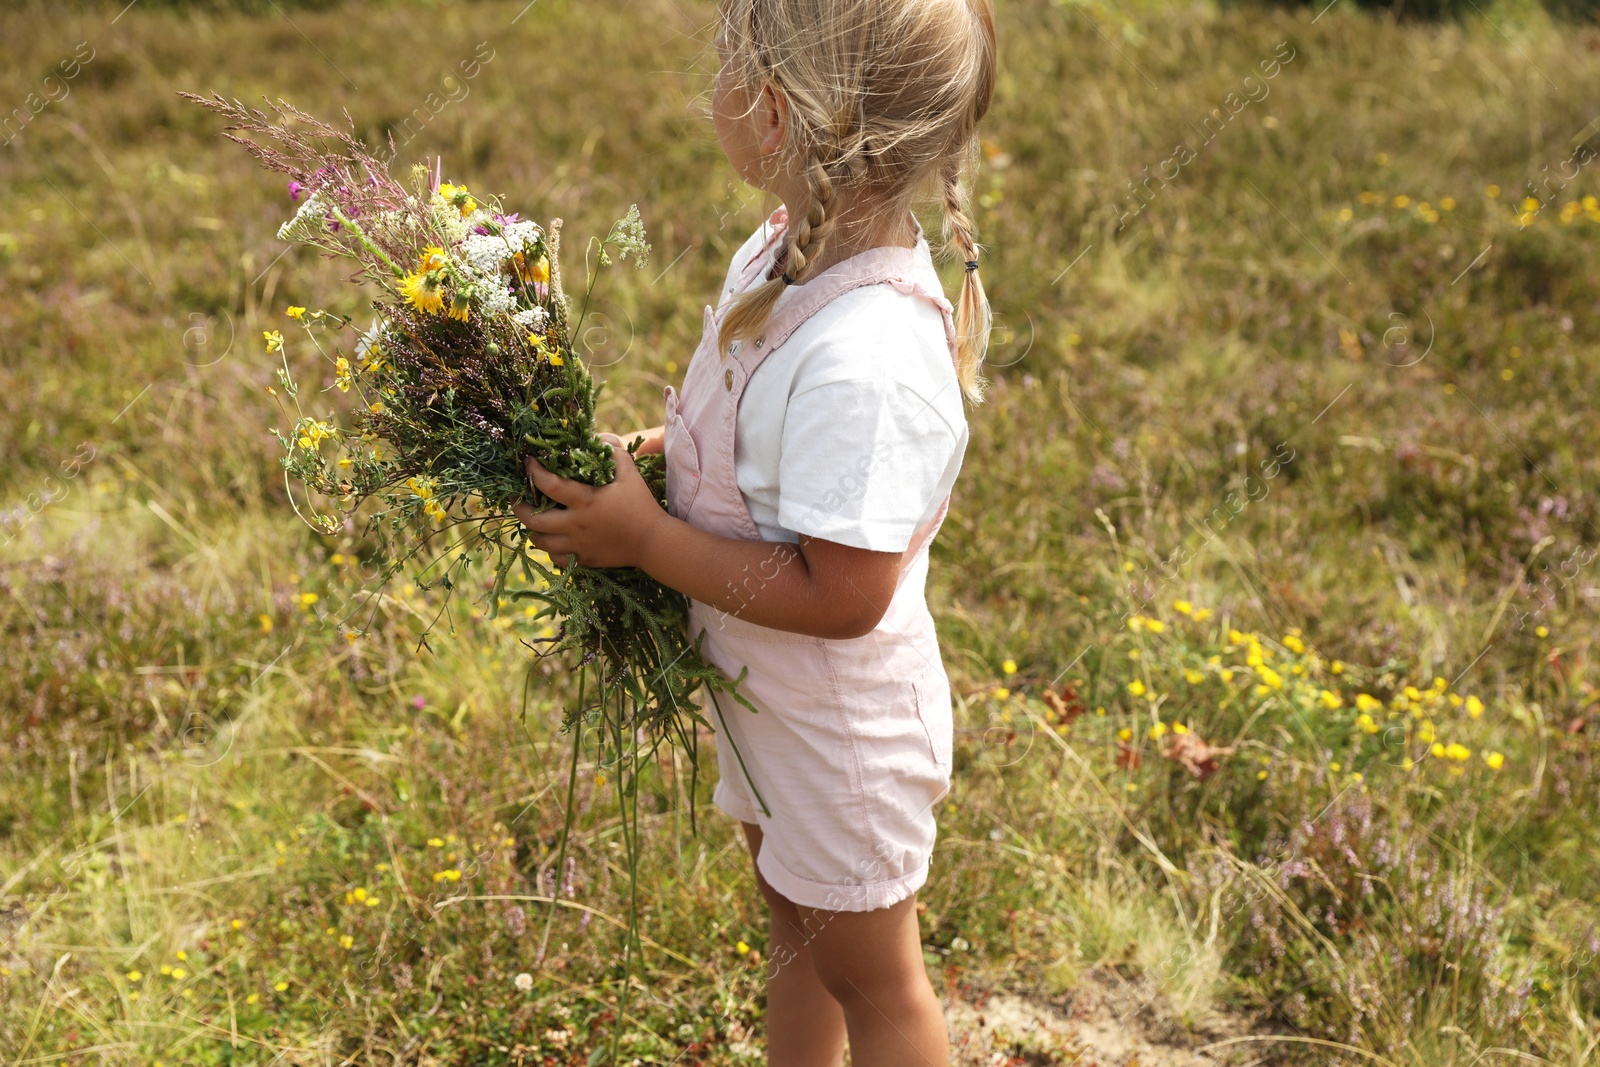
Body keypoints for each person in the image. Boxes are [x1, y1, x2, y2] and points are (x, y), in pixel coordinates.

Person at [512, 1, 996, 1062]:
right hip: (769, 703)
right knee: (795, 928)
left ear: (778, 113)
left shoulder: (865, 356)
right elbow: (750, 446)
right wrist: (646, 463)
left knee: (874, 980)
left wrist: (644, 540)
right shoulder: (786, 251)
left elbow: (843, 593)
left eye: (727, 62)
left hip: (841, 737)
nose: (710, 84)